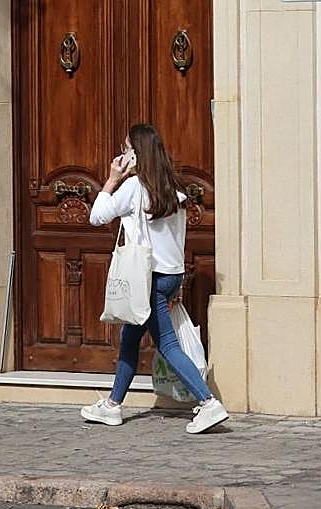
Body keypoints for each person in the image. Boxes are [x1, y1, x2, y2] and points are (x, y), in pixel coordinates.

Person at [81, 123, 229, 434]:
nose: (122, 155)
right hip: (170, 275)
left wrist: (112, 179)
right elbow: (178, 239)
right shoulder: (174, 190)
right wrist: (176, 284)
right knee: (130, 339)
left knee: (167, 344)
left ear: (136, 155)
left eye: (125, 149)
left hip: (146, 278)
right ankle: (112, 405)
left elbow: (97, 216)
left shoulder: (134, 188)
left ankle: (208, 403)